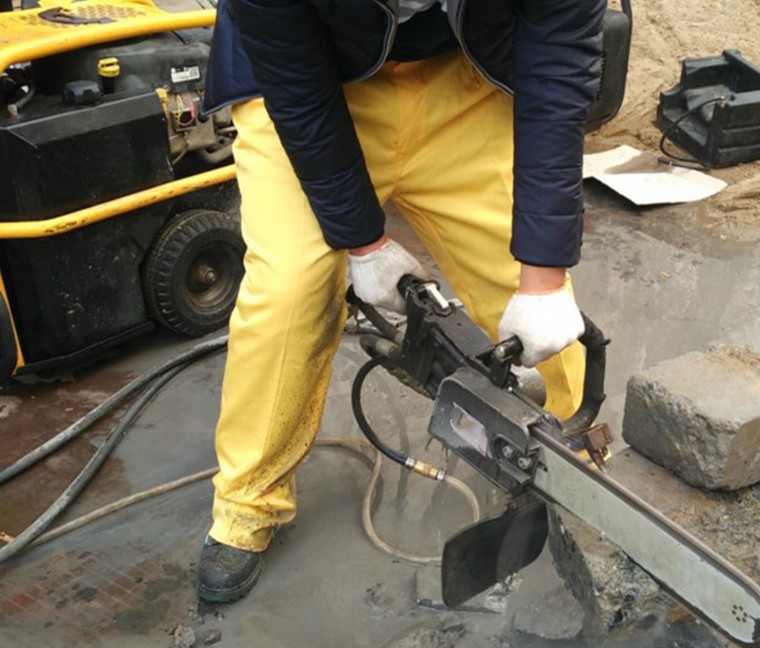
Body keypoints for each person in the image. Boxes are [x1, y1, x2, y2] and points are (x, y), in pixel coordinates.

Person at [197, 0, 606, 602]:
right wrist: (362, 243)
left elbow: (557, 62)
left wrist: (543, 276)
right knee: (290, 290)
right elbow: (297, 87)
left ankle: (579, 468)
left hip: (455, 79)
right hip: (304, 80)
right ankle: (246, 503)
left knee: (525, 289)